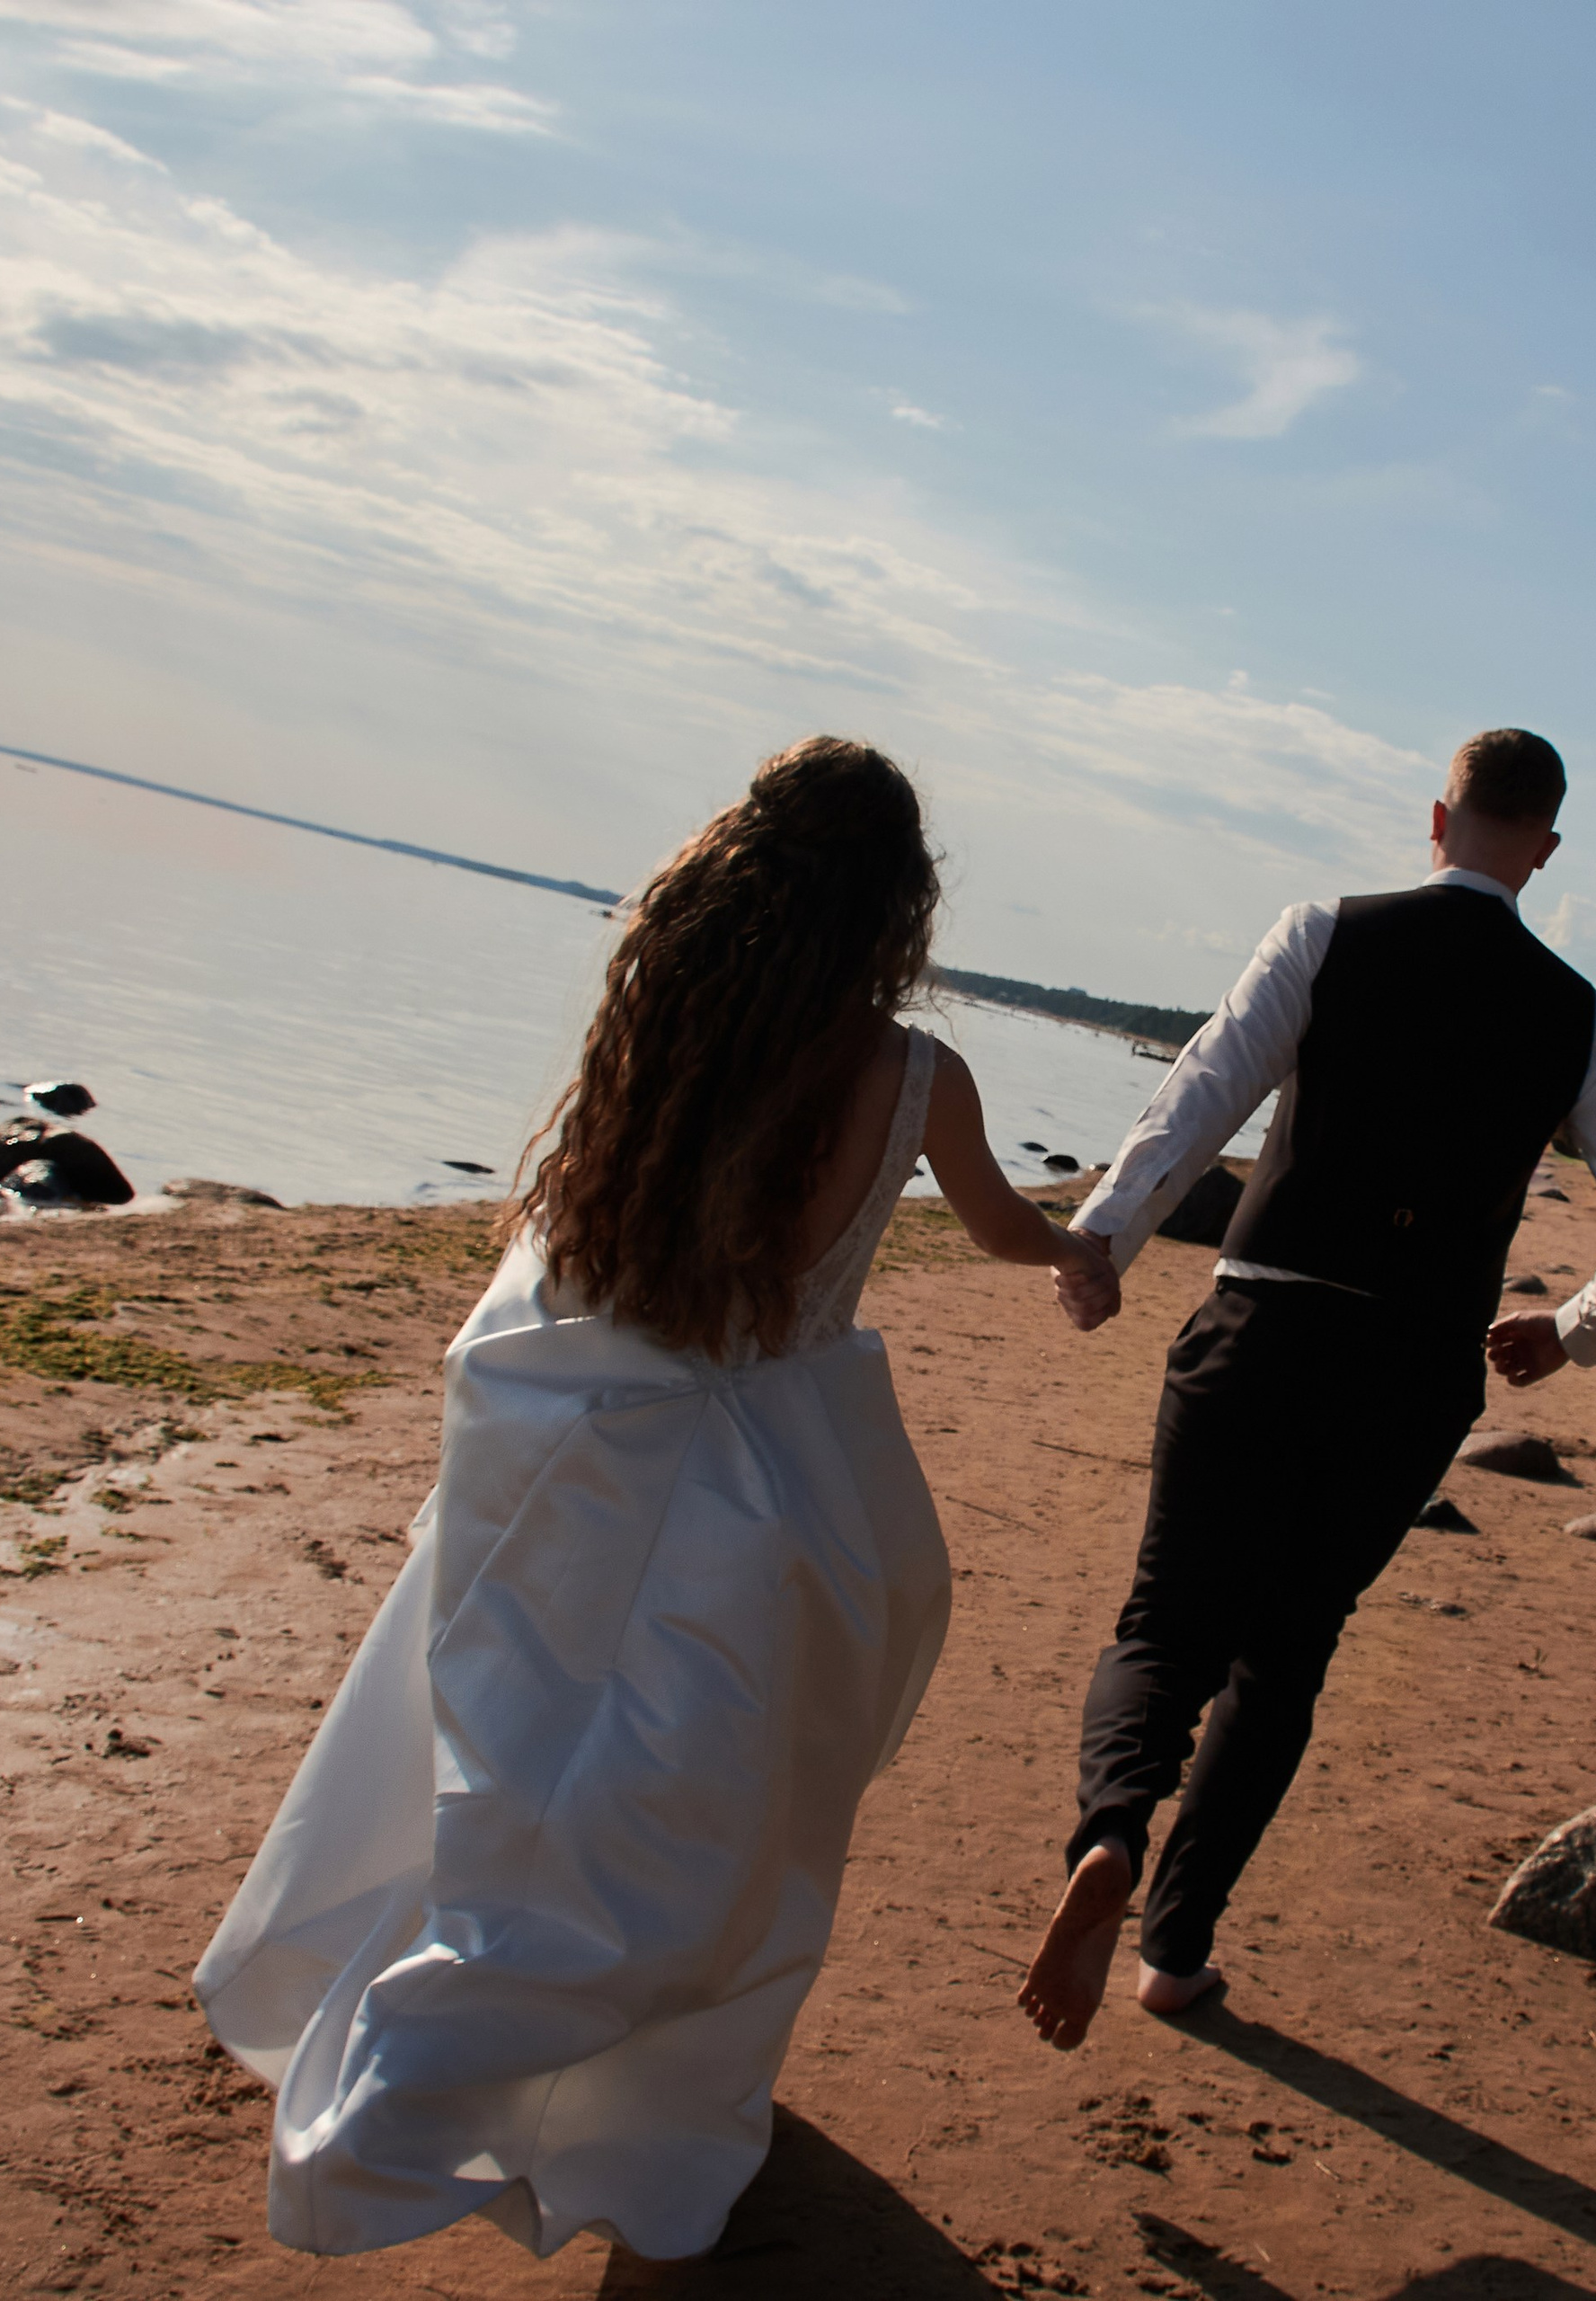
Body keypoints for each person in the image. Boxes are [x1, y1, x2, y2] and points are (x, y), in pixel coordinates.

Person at [197, 738, 1119, 2261]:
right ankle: (633, 2101)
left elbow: (584, 1230)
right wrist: (1079, 1248)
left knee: (518, 1778)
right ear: (897, 904)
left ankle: (453, 2056)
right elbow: (1000, 1222)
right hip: (781, 1500)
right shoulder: (914, 1076)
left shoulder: (680, 1015)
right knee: (728, 1832)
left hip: (594, 1452)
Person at [1016, 727, 1596, 2049]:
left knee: (1167, 1625)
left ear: (1438, 821)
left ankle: (1111, 1835)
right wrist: (1574, 1331)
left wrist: (1103, 1242)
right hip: (1415, 1372)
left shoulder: (1326, 931)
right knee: (1285, 1655)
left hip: (1262, 1327)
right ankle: (1175, 1953)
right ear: (1545, 851)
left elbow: (1204, 1091)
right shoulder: (1586, 1021)